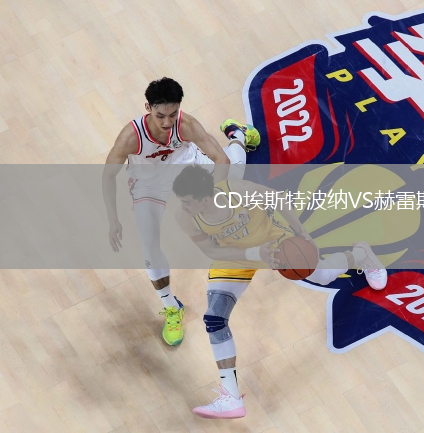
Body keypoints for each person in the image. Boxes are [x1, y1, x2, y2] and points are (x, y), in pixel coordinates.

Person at [172, 165, 387, 419]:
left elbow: (276, 199)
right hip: (236, 257)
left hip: (274, 245)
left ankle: (360, 255)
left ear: (206, 199)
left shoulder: (238, 192)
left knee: (324, 275)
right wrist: (253, 254)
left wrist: (302, 234)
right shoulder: (186, 217)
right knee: (215, 319)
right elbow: (212, 251)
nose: (183, 207)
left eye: (187, 202)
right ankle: (230, 397)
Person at [102, 77, 260, 346]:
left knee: (234, 173)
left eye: (173, 114)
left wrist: (211, 198)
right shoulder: (131, 137)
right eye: (160, 115)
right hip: (149, 186)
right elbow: (107, 176)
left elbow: (219, 160)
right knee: (149, 244)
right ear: (148, 108)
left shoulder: (186, 124)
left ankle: (238, 136)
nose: (167, 122)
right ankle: (171, 307)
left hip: (189, 170)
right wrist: (113, 219)